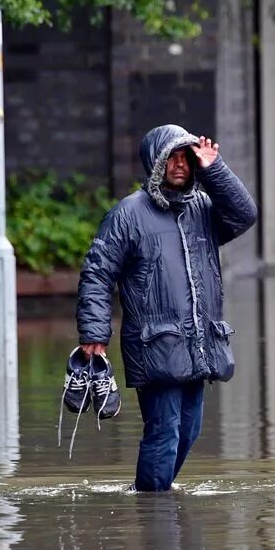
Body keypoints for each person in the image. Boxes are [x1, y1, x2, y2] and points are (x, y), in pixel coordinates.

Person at [77, 124, 258, 492]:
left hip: (198, 345)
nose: (179, 165)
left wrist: (215, 169)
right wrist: (94, 334)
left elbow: (244, 214)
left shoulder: (203, 210)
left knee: (188, 430)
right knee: (164, 432)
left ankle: (152, 500)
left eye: (185, 159)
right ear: (155, 164)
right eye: (172, 158)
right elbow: (97, 273)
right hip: (154, 347)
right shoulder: (128, 215)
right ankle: (153, 509)